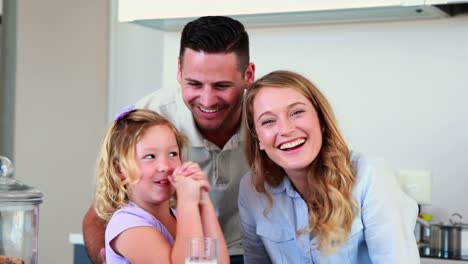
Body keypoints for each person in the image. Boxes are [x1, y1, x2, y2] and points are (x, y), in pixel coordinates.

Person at [83, 16, 255, 263]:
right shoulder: (149, 119)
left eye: (221, 86)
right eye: (194, 83)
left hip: (242, 248)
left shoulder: (268, 116)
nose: (207, 100)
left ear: (248, 75)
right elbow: (99, 214)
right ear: (179, 71)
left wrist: (199, 202)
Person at [238, 70, 420, 263]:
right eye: (268, 121)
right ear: (258, 139)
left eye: (297, 112)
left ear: (321, 120)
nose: (286, 129)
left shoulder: (371, 177)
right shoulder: (252, 189)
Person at [94, 108, 229, 263]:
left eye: (172, 154)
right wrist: (187, 202)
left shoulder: (180, 215)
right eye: (150, 156)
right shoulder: (127, 224)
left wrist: (204, 203)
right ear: (120, 169)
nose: (165, 166)